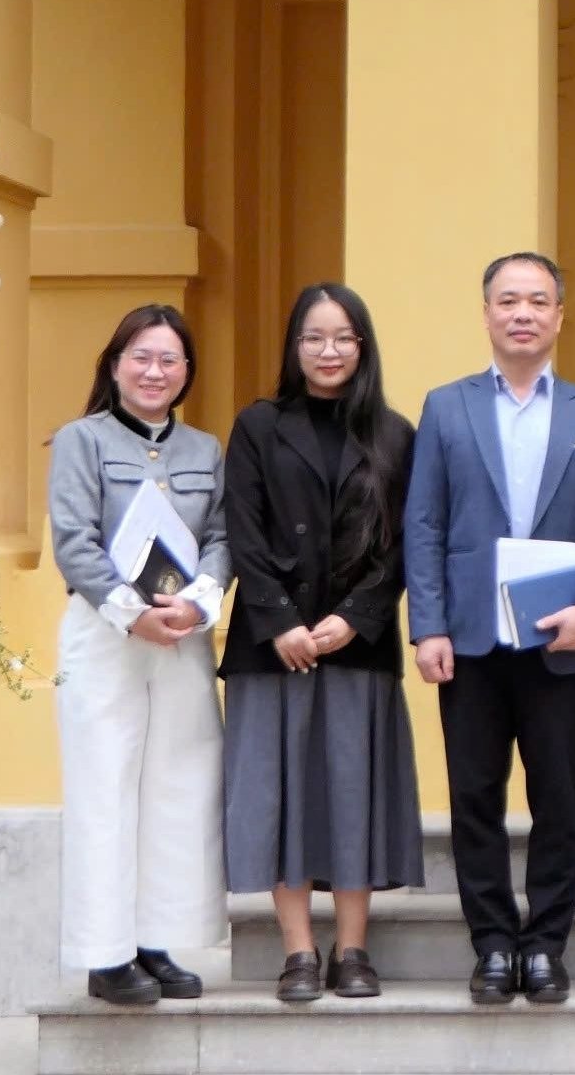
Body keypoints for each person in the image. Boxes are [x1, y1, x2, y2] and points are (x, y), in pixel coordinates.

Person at [406, 252, 575, 1006]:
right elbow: (425, 522)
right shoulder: (446, 407)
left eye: (538, 300)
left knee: (559, 799)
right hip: (469, 640)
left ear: (561, 315)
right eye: (509, 300)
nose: (523, 313)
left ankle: (546, 946)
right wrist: (427, 625)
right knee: (475, 796)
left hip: (561, 640)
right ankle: (494, 944)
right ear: (487, 313)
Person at [219, 283, 427, 1003]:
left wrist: (359, 614)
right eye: (313, 337)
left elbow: (407, 541)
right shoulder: (257, 425)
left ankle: (354, 950)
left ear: (362, 347)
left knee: (351, 792)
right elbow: (240, 527)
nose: (328, 351)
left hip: (356, 646)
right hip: (271, 646)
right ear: (294, 346)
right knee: (282, 794)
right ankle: (299, 952)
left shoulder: (396, 434)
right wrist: (279, 620)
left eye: (343, 338)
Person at [47, 304, 229, 1005]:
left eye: (170, 360)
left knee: (178, 787)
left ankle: (156, 940)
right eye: (142, 357)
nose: (155, 371)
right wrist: (132, 614)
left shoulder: (204, 450)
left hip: (182, 635)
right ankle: (105, 954)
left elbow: (219, 535)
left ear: (187, 372)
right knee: (105, 788)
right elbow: (74, 540)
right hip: (106, 635)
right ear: (115, 364)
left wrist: (200, 601)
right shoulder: (80, 441)